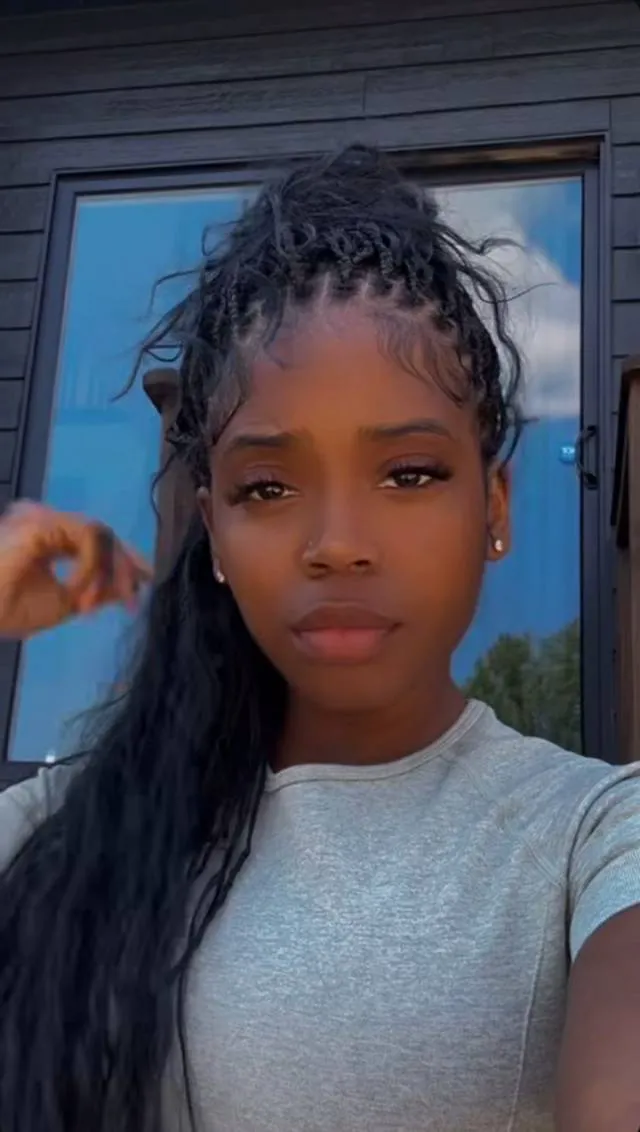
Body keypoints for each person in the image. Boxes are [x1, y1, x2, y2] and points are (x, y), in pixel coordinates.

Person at [0, 146, 639, 1132]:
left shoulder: (591, 832)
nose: (337, 544)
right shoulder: (67, 824)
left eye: (410, 474)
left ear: (496, 507)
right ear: (214, 533)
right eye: (267, 487)